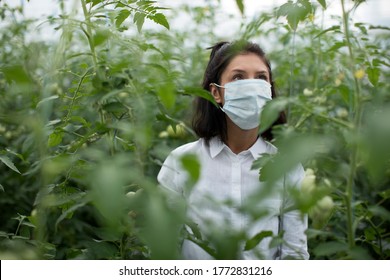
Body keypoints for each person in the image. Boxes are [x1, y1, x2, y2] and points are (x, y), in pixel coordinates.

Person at [157, 40, 309, 260]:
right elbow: (162, 245)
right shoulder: (181, 161)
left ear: (269, 91)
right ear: (216, 93)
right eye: (238, 77)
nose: (252, 86)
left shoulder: (287, 167)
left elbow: (295, 254)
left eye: (261, 77)